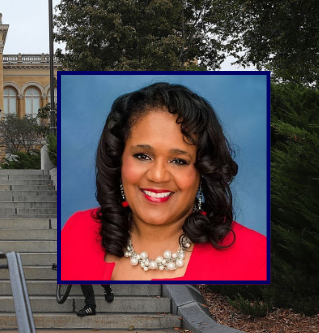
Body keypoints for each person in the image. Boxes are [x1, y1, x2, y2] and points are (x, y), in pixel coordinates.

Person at [60, 82, 267, 282]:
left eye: (178, 161)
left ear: (202, 171)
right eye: (142, 156)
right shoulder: (77, 231)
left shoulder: (254, 255)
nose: (158, 176)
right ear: (118, 160)